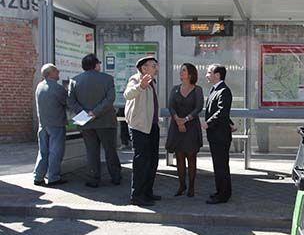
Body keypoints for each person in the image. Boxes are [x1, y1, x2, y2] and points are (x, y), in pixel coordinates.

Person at [68, 54, 122, 188]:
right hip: (106, 122)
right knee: (110, 150)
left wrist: (85, 113)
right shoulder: (107, 79)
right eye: (99, 63)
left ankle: (93, 178)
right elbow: (110, 99)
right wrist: (95, 112)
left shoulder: (74, 81)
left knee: (91, 151)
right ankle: (115, 176)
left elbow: (71, 101)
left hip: (86, 122)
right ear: (96, 65)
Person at [124, 56, 161, 206]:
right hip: (139, 127)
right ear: (144, 68)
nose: (156, 68)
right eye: (153, 66)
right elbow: (128, 94)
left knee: (152, 160)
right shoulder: (136, 79)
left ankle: (147, 192)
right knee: (141, 162)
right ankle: (137, 195)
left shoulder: (152, 82)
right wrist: (140, 86)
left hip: (151, 126)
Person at [165, 63, 204, 197]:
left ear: (191, 74)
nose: (181, 73)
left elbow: (198, 107)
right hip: (177, 127)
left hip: (191, 127)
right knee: (179, 157)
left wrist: (185, 119)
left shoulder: (197, 89)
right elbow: (171, 106)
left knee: (191, 157)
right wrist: (177, 120)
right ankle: (181, 185)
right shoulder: (175, 89)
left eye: (184, 70)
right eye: (181, 70)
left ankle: (191, 187)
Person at [202, 64, 233, 204]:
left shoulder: (224, 91)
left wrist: (208, 123)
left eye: (209, 72)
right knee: (218, 165)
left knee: (221, 166)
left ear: (217, 75)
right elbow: (221, 111)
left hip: (220, 135)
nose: (206, 75)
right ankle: (220, 191)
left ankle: (223, 195)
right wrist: (230, 123)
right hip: (215, 134)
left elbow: (222, 111)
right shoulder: (215, 89)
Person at [33, 63, 68, 186]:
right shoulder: (58, 88)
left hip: (43, 124)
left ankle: (38, 177)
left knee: (43, 151)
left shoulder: (39, 86)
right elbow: (67, 102)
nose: (58, 73)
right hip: (56, 124)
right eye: (56, 71)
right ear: (51, 73)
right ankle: (53, 177)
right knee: (55, 152)